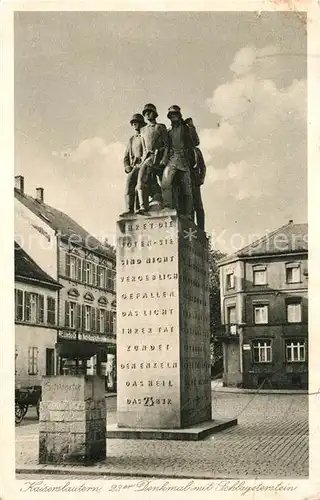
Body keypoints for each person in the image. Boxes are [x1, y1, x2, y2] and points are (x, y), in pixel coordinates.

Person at [161, 105, 199, 220]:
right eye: (171, 115)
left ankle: (188, 214)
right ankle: (168, 207)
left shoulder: (186, 128)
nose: (173, 117)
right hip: (172, 160)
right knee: (165, 183)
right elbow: (167, 147)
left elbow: (196, 142)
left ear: (179, 115)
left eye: (175, 114)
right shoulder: (169, 132)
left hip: (184, 161)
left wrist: (192, 127)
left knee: (186, 189)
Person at [136, 103, 169, 215]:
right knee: (140, 182)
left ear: (154, 114)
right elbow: (144, 147)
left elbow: (166, 145)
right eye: (145, 113)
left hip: (159, 158)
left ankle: (167, 204)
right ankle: (142, 207)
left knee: (163, 182)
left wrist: (164, 159)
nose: (146, 114)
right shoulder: (143, 130)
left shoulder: (161, 127)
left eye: (149, 112)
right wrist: (142, 161)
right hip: (148, 158)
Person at [120, 113, 146, 217]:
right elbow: (126, 157)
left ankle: (140, 208)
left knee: (139, 187)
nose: (135, 124)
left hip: (145, 165)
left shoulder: (145, 136)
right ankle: (129, 209)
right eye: (133, 123)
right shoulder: (131, 140)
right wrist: (127, 167)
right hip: (135, 167)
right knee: (129, 185)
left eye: (137, 122)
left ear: (141, 124)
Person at [190, 147, 206, 231]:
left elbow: (202, 166)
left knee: (198, 206)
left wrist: (201, 179)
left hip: (195, 181)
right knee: (189, 206)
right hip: (183, 180)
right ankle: (191, 227)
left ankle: (201, 230)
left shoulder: (196, 151)